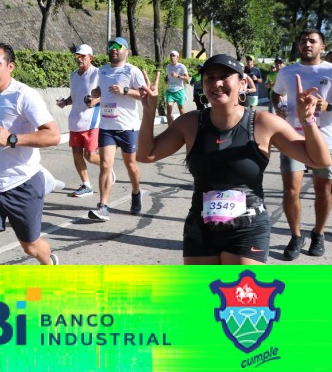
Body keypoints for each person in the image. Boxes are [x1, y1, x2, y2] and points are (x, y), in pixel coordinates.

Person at [137, 53, 330, 264]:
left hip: (248, 228)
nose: (217, 83)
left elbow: (320, 160)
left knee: (240, 286)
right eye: (210, 78)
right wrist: (149, 111)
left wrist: (307, 120)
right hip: (201, 227)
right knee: (205, 287)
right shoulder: (190, 123)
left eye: (224, 76)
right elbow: (146, 155)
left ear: (242, 83)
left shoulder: (264, 123)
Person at [0, 42, 61, 265]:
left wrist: (12, 139)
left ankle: (49, 263)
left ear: (10, 67)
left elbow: (53, 135)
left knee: (30, 246)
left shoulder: (23, 95)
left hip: (22, 183)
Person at [272, 30, 332, 260]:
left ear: (322, 47)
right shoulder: (287, 72)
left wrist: (327, 107)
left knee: (323, 190)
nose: (307, 44)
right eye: (303, 41)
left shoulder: (330, 71)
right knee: (290, 190)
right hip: (293, 139)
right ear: (298, 46)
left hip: (324, 140)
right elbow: (276, 94)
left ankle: (318, 233)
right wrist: (279, 107)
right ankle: (296, 236)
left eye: (312, 41)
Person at [88, 37, 147, 222]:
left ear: (126, 51)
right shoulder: (103, 70)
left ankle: (136, 192)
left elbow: (144, 94)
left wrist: (125, 91)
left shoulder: (132, 71)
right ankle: (103, 206)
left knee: (131, 165)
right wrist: (97, 92)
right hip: (107, 126)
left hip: (127, 127)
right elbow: (102, 90)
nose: (114, 49)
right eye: (111, 46)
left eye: (118, 46)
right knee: (105, 165)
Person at [56, 44, 100, 198]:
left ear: (91, 58)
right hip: (75, 120)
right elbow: (74, 96)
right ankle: (86, 185)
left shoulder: (97, 73)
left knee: (90, 155)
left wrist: (95, 101)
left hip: (91, 120)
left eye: (83, 56)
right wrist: (65, 102)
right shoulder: (74, 75)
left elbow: (108, 94)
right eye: (77, 56)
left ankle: (107, 167)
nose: (79, 59)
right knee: (76, 154)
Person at [165, 50, 191, 125]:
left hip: (179, 90)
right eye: (171, 55)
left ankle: (185, 126)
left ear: (177, 57)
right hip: (170, 91)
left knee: (181, 109)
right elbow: (167, 77)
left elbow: (187, 78)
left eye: (173, 56)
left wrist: (177, 76)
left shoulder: (181, 66)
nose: (172, 57)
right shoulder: (168, 67)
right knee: (169, 110)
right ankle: (170, 128)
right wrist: (166, 79)